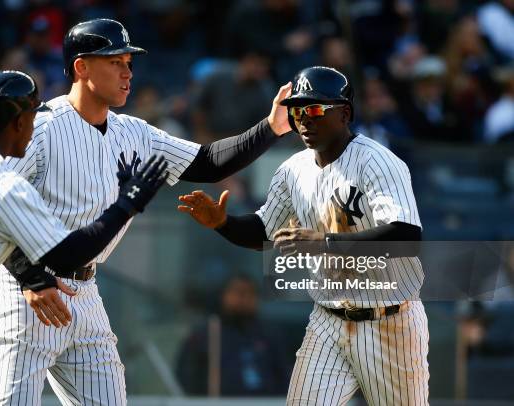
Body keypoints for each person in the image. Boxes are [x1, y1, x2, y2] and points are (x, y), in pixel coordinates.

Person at [0, 18, 292, 405]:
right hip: (24, 294)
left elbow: (207, 163)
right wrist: (29, 277)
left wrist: (271, 127)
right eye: (115, 62)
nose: (128, 72)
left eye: (129, 62)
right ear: (81, 67)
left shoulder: (135, 133)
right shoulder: (40, 128)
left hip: (86, 291)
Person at [0, 70, 167, 404]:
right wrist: (129, 202)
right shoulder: (2, 183)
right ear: (18, 122)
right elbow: (67, 255)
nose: (36, 124)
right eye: (33, 115)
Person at [178, 66, 429, 405]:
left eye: (313, 109)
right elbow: (266, 233)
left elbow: (407, 238)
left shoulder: (378, 162)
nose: (303, 119)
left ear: (345, 113)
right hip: (327, 320)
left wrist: (324, 243)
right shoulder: (293, 170)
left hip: (389, 320)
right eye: (296, 110)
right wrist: (224, 224)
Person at [176, 274, 289, 396]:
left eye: (250, 293)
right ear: (223, 295)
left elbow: (284, 376)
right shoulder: (205, 335)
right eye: (238, 292)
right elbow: (188, 378)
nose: (244, 298)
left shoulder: (269, 334)